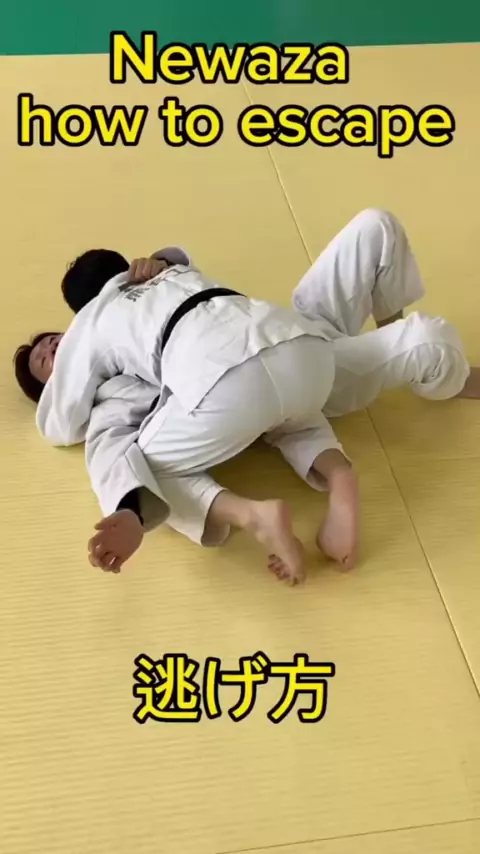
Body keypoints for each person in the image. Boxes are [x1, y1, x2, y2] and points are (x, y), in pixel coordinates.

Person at [13, 209, 480, 584]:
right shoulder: (168, 279)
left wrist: (128, 510)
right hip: (292, 342)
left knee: (140, 470)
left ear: (77, 318)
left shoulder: (92, 331)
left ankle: (254, 516)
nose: (54, 350)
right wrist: (162, 263)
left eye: (53, 342)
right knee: (374, 227)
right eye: (44, 360)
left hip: (237, 386)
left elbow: (58, 424)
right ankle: (412, 351)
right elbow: (178, 260)